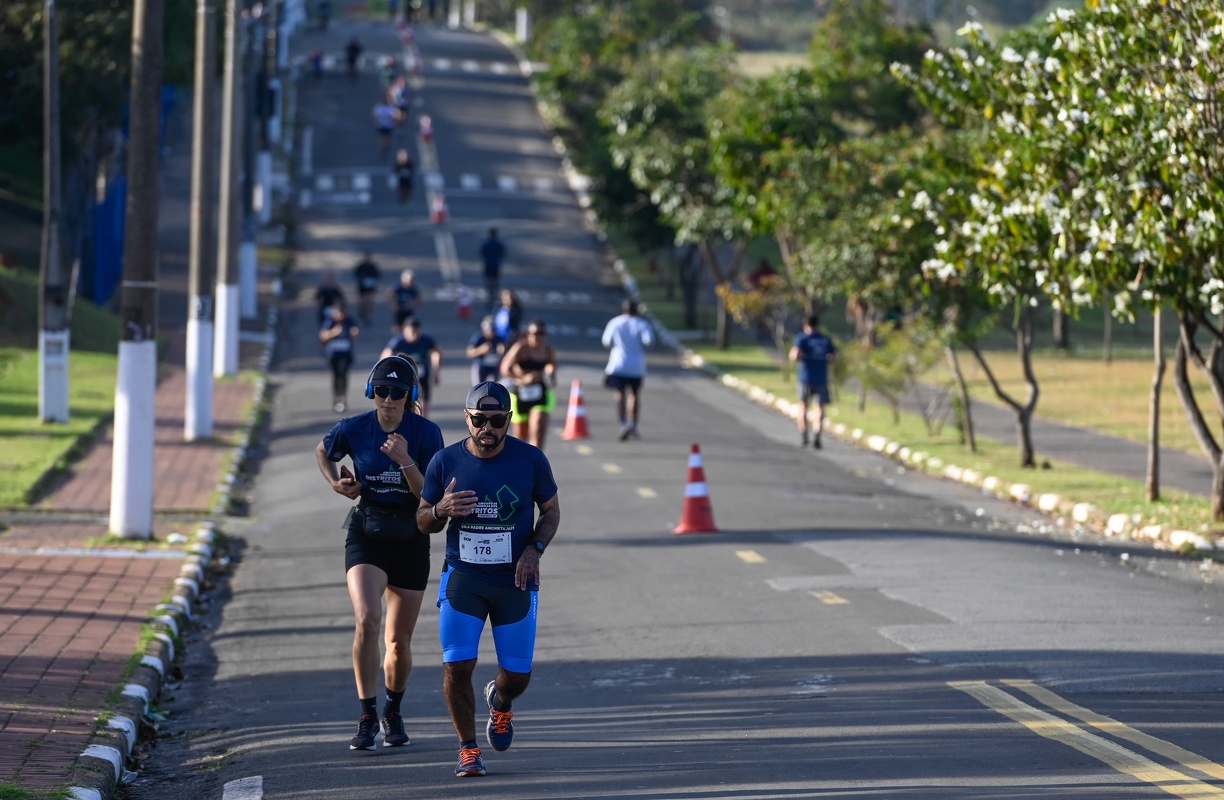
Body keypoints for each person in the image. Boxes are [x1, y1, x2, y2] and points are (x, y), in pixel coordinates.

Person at [416, 381, 560, 778]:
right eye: (479, 420)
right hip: (464, 577)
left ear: (509, 419)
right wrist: (441, 509)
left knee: (517, 676)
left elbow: (551, 511)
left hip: (515, 579)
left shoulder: (530, 459)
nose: (488, 429)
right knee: (457, 665)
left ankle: (500, 701)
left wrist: (534, 549)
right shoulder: (445, 461)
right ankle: (467, 749)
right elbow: (423, 520)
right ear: (467, 418)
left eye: (497, 421)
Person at [315, 356, 444, 751]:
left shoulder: (426, 433)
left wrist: (405, 460)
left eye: (397, 392)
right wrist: (336, 484)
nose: (389, 399)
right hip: (367, 530)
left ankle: (393, 710)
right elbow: (323, 451)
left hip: (410, 533)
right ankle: (367, 713)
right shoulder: (354, 428)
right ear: (372, 391)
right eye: (382, 391)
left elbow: (429, 496)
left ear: (410, 395)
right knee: (368, 619)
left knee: (398, 642)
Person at [601, 299, 654, 440]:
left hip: (618, 364)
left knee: (620, 394)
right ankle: (633, 424)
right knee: (634, 395)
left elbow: (606, 341)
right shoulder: (642, 324)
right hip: (636, 365)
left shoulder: (615, 322)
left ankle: (623, 422)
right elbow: (649, 341)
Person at [499, 320, 556, 451]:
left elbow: (552, 367)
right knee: (521, 437)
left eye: (541, 333)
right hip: (520, 394)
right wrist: (523, 379)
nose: (537, 337)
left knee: (538, 428)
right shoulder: (521, 348)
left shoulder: (548, 350)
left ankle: (536, 459)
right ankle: (522, 460)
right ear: (528, 334)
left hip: (540, 394)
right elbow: (504, 368)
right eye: (534, 333)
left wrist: (550, 373)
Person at [788, 314, 837, 449]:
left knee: (803, 406)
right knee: (819, 407)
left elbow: (794, 355)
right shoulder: (825, 339)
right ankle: (817, 435)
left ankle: (804, 436)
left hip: (805, 378)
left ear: (805, 325)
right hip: (821, 378)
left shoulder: (801, 338)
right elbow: (834, 357)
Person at [381, 317, 442, 418]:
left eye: (416, 331)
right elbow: (386, 355)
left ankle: (422, 422)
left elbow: (437, 352)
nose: (414, 334)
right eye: (411, 331)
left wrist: (436, 371)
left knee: (423, 405)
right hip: (404, 378)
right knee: (405, 404)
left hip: (422, 377)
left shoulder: (426, 340)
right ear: (405, 330)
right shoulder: (398, 341)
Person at [320, 300, 360, 413]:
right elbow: (322, 336)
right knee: (336, 375)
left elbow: (355, 330)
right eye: (338, 312)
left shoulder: (349, 320)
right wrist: (334, 333)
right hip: (334, 354)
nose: (341, 315)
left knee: (343, 374)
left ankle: (342, 398)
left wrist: (354, 333)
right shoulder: (330, 321)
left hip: (346, 353)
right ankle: (336, 397)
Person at [466, 315, 505, 387]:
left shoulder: (498, 338)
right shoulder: (479, 338)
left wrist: (502, 351)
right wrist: (481, 350)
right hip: (481, 365)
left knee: (493, 386)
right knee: (479, 387)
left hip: (494, 366)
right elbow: (469, 352)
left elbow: (503, 350)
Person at [478, 229, 506, 312]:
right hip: (496, 264)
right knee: (495, 280)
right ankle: (495, 295)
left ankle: (489, 295)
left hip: (488, 264)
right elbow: (503, 253)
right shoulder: (498, 244)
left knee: (488, 280)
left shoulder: (487, 243)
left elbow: (482, 252)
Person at [353, 251, 381, 326]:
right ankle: (362, 311)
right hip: (362, 287)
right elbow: (356, 274)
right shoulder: (361, 266)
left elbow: (377, 275)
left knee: (370, 301)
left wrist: (373, 280)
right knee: (363, 301)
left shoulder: (373, 267)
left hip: (371, 287)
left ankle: (368, 316)